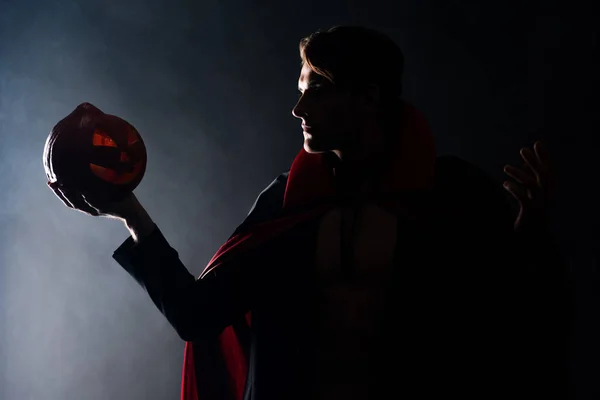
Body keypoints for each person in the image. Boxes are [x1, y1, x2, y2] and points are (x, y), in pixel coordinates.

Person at [48, 26, 572, 400]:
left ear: (368, 97)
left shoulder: (452, 192)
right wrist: (130, 212)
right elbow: (199, 314)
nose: (299, 111)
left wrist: (530, 229)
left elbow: (510, 324)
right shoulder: (288, 200)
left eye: (316, 92)